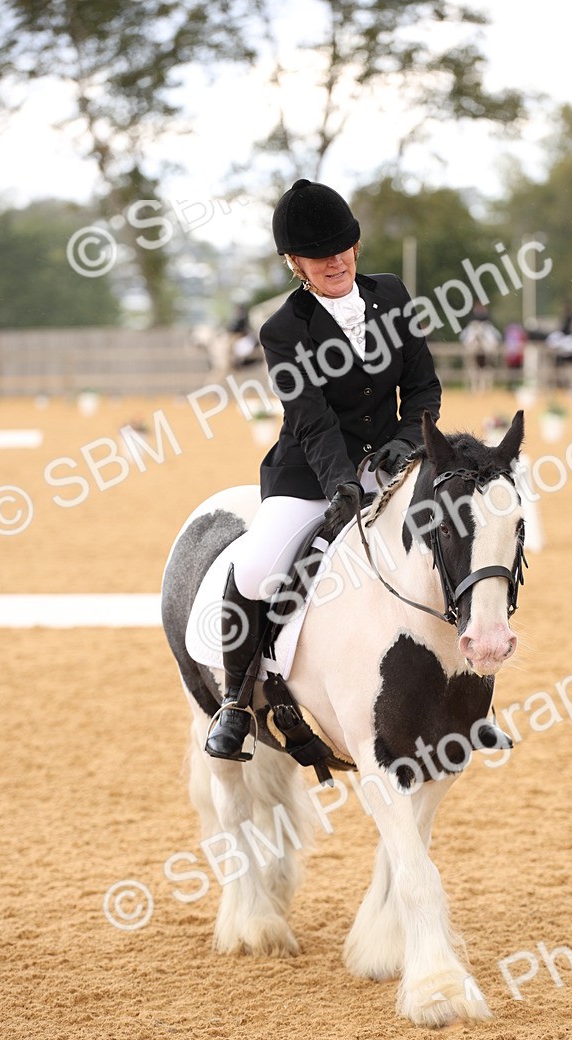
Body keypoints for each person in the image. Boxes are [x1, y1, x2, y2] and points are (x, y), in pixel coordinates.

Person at [205, 178, 442, 760]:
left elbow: (423, 389)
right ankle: (235, 701)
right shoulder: (282, 330)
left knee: (462, 536)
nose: (334, 261)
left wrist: (407, 444)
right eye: (317, 254)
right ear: (295, 264)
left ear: (355, 247)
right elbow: (309, 419)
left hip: (396, 464)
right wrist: (343, 483)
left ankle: (465, 692)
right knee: (259, 569)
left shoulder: (393, 295)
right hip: (310, 475)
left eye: (342, 248)